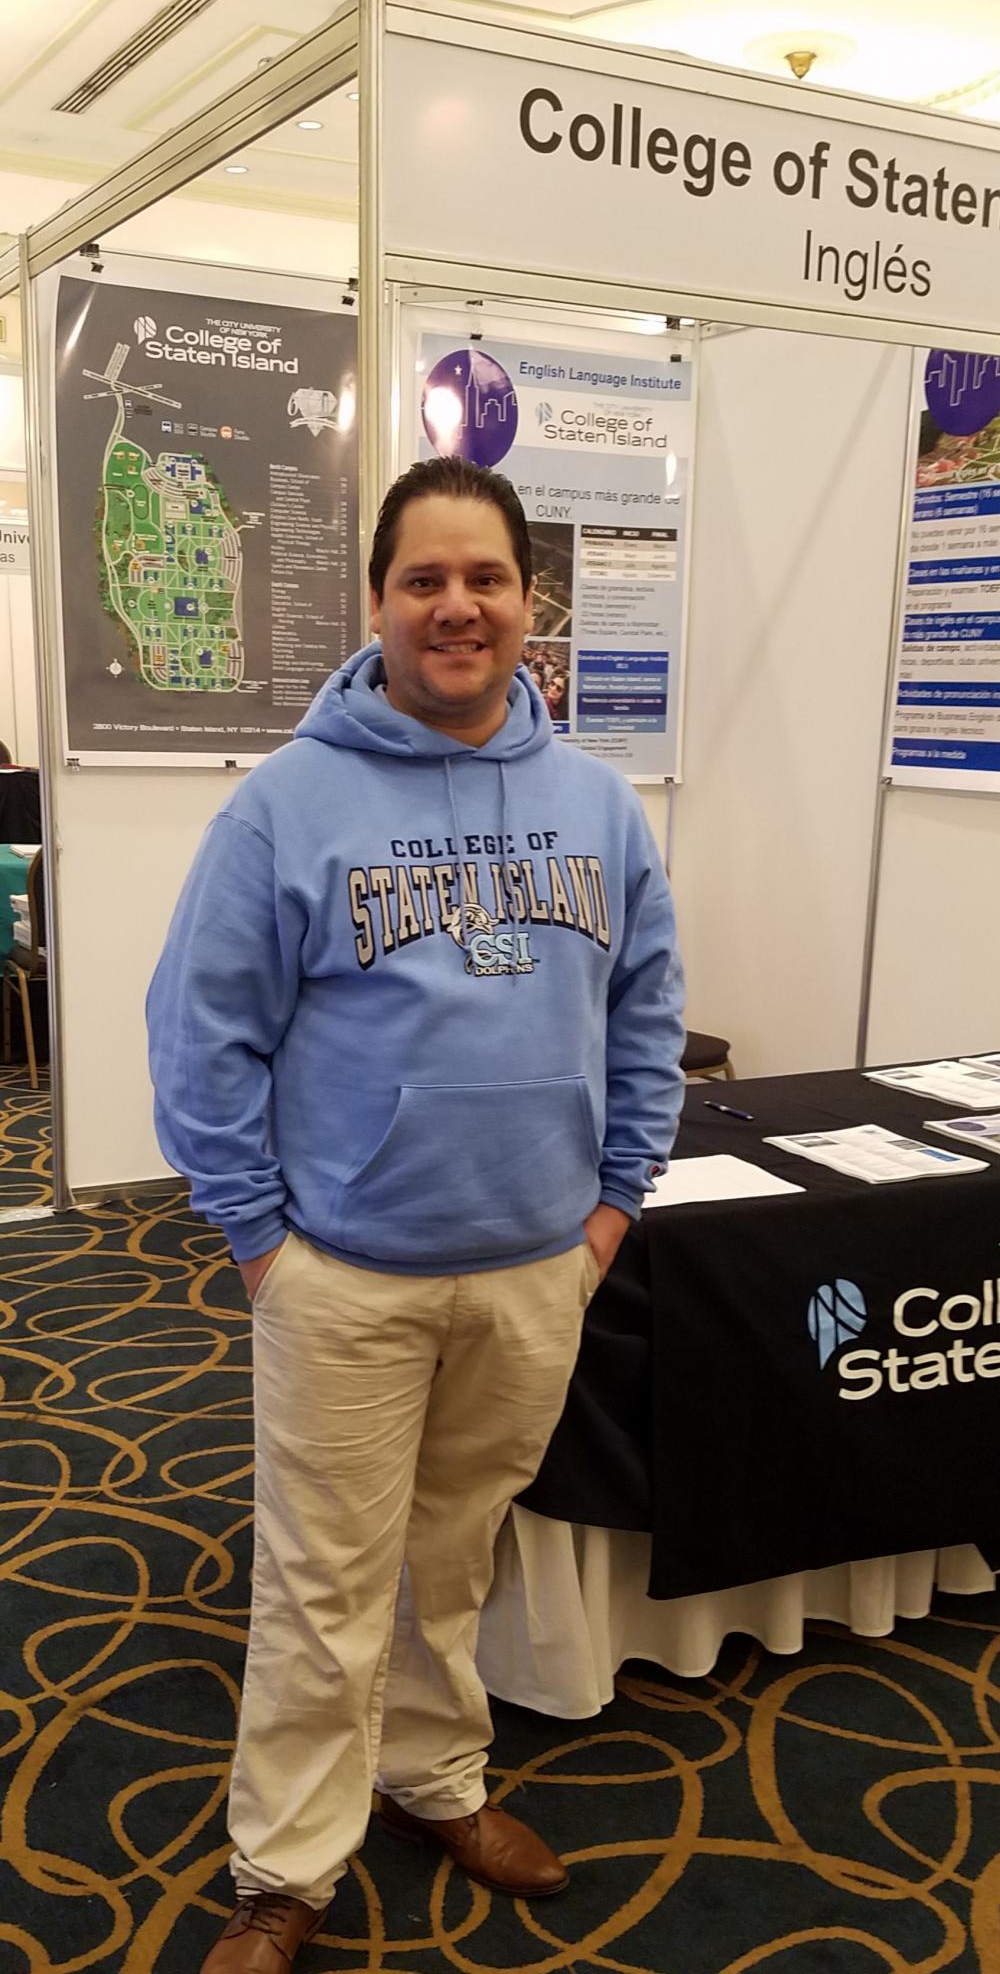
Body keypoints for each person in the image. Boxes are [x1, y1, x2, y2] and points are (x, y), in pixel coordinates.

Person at [147, 454, 686, 1973]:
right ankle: (289, 1868)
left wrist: (611, 1213)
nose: (458, 607)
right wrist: (263, 1244)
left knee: (453, 1556)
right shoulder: (288, 806)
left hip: (535, 1271)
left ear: (530, 602)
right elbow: (202, 1037)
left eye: (487, 579)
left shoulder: (597, 804)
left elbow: (647, 1012)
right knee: (323, 1581)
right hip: (345, 1276)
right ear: (377, 601)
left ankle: (437, 1779)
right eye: (425, 580)